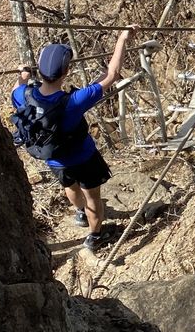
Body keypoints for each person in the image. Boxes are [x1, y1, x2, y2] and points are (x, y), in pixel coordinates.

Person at [12, 31, 132, 251]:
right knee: (93, 197)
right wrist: (123, 39)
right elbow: (112, 74)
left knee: (70, 185)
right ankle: (96, 236)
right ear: (66, 71)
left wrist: (23, 76)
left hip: (55, 160)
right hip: (84, 157)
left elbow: (16, 88)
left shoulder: (23, 95)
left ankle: (80, 213)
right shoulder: (73, 102)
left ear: (40, 69)